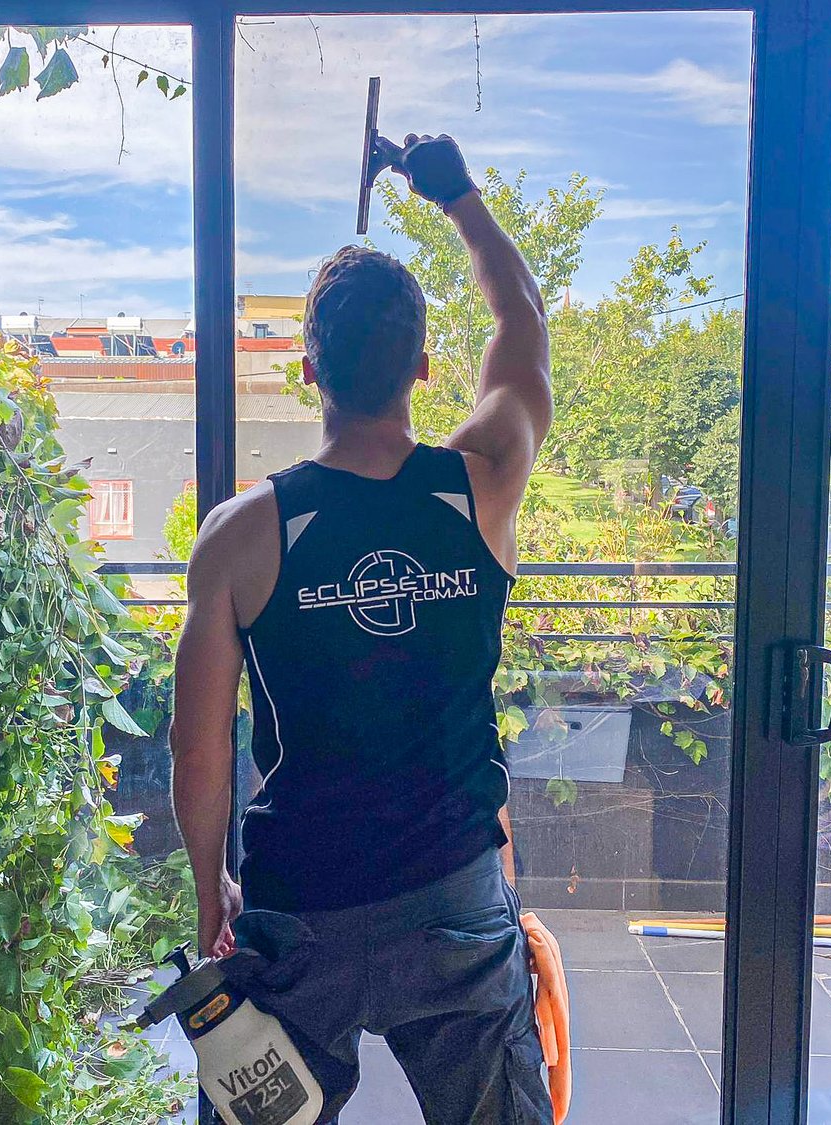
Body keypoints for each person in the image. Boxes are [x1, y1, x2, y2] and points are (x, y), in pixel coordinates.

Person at [170, 132, 553, 1124]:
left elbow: (198, 748)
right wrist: (458, 195)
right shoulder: (481, 489)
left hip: (299, 906)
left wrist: (212, 889)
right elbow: (522, 321)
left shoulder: (240, 534)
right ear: (422, 367)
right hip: (454, 897)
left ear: (310, 370)